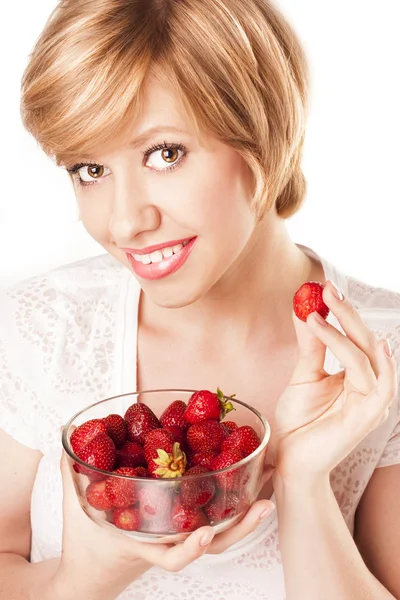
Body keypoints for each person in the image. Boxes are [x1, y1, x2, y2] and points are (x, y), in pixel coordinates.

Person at [0, 0, 399, 598]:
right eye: (88, 168)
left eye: (165, 153)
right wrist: (88, 577)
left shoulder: (382, 356)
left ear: (263, 134)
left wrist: (305, 482)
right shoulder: (42, 327)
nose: (126, 221)